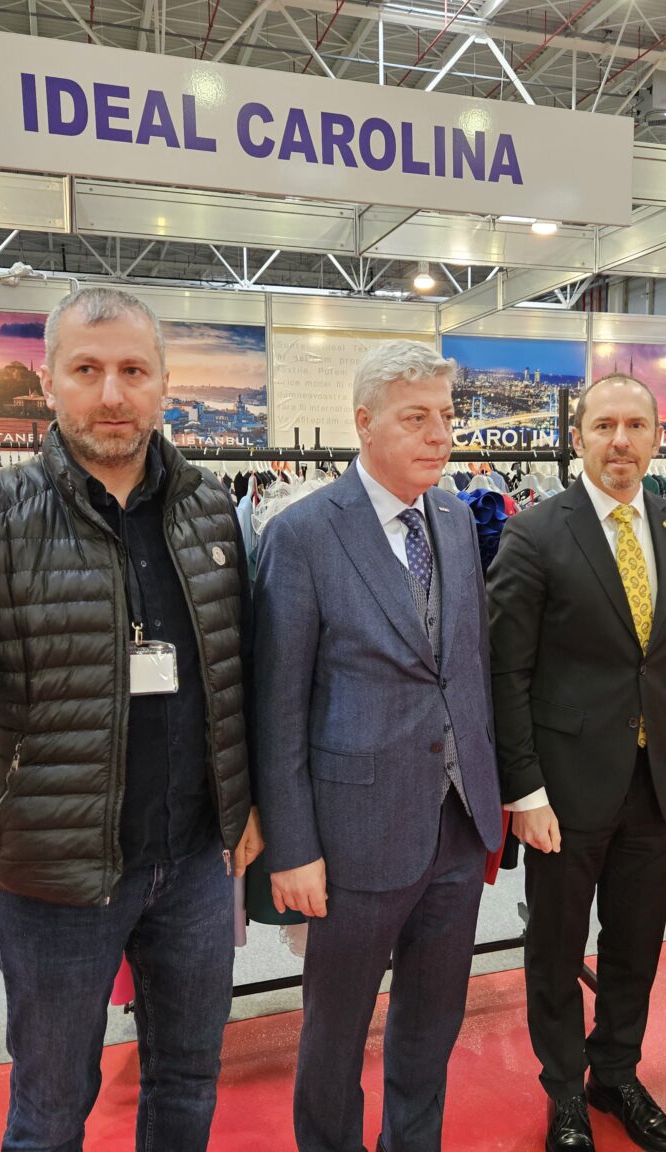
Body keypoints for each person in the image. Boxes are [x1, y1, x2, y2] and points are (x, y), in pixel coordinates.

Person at [0, 286, 263, 1151]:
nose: (112, 394)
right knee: (49, 1112)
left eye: (133, 371)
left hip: (196, 865)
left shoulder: (211, 510)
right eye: (86, 370)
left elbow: (238, 677)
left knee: (188, 1083)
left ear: (164, 383)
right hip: (53, 882)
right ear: (48, 383)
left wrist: (251, 805)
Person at [254, 341, 504, 1152]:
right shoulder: (303, 535)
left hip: (457, 826)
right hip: (352, 835)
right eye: (415, 418)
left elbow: (466, 668)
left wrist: (494, 794)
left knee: (432, 1023)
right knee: (335, 1031)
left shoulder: (456, 521)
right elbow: (278, 708)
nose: (439, 435)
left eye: (446, 417)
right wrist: (292, 847)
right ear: (364, 423)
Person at [488, 374, 666, 1152]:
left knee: (636, 943)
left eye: (635, 426)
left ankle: (615, 1073)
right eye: (603, 426)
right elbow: (506, 672)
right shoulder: (535, 533)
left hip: (660, 787)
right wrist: (524, 790)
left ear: (657, 438)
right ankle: (563, 1089)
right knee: (556, 947)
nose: (620, 441)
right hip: (563, 789)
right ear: (579, 438)